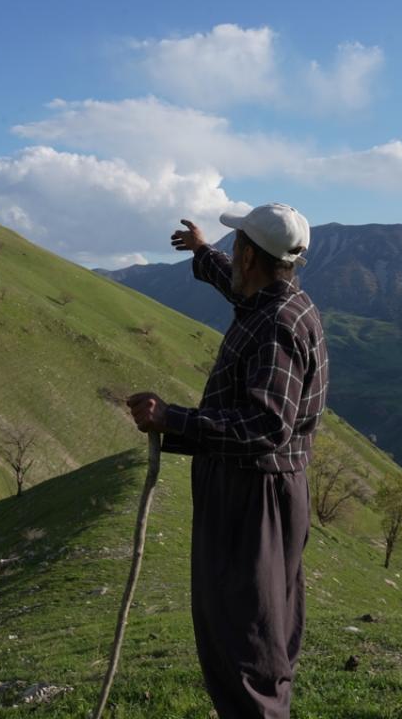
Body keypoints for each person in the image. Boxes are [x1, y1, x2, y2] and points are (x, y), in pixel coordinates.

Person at [126, 203, 329, 718]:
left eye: (235, 246)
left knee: (246, 641)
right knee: (259, 627)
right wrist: (201, 251)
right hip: (266, 489)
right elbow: (235, 285)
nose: (232, 255)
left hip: (253, 497)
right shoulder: (277, 301)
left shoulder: (276, 326)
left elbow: (265, 426)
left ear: (249, 256)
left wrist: (173, 419)